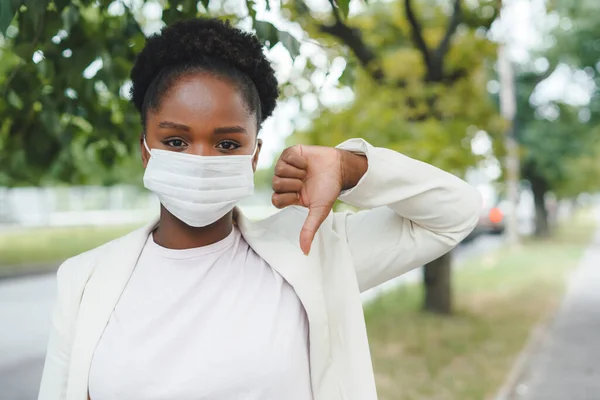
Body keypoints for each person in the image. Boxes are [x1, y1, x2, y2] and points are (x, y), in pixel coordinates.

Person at [38, 17, 482, 400]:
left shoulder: (312, 251)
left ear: (254, 155)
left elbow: (453, 214)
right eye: (175, 140)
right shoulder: (85, 280)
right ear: (145, 149)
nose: (201, 159)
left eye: (227, 143)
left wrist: (350, 168)